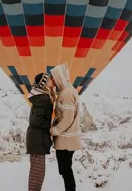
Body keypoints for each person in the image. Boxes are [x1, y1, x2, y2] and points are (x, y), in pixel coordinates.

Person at [50, 63, 81, 191]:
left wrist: (54, 130)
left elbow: (68, 118)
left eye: (53, 77)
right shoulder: (67, 90)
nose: (52, 80)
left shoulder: (66, 93)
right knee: (66, 170)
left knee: (66, 171)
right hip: (68, 139)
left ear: (59, 77)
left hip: (66, 140)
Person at [26, 72, 55, 191]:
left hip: (36, 138)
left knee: (36, 171)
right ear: (44, 84)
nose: (52, 80)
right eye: (49, 79)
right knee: (38, 173)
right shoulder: (43, 98)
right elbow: (37, 120)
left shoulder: (41, 97)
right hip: (38, 139)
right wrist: (51, 126)